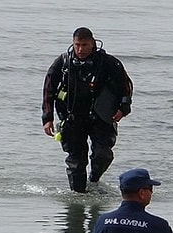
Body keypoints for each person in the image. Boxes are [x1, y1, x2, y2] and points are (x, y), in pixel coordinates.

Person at [42, 27, 133, 193]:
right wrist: (47, 118)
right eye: (77, 45)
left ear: (93, 43)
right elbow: (48, 90)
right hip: (72, 118)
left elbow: (125, 86)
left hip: (101, 117)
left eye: (84, 45)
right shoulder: (63, 63)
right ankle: (78, 194)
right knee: (76, 161)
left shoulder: (108, 62)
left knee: (103, 155)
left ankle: (94, 179)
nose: (80, 49)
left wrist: (123, 108)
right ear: (72, 43)